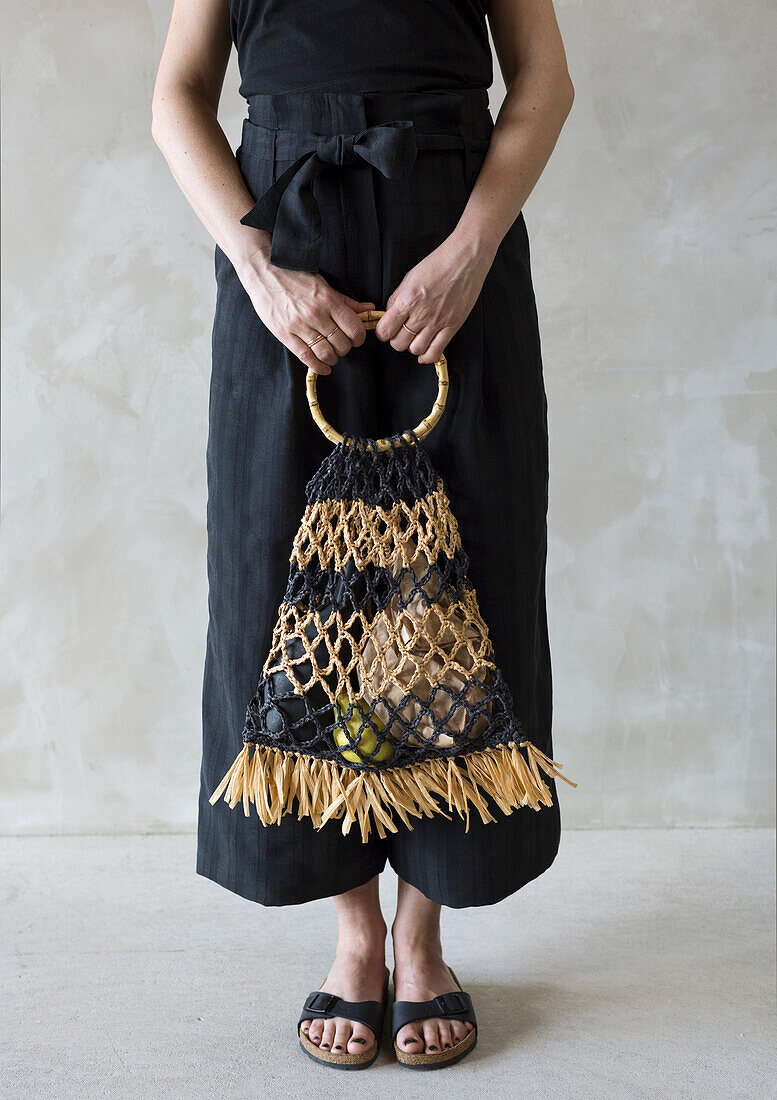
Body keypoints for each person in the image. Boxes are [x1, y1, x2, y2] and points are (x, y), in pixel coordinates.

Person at [152, 0, 573, 1070]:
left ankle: (423, 936)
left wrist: (473, 249)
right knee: (283, 585)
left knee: (465, 580)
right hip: (284, 245)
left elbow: (542, 78)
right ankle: (354, 933)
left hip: (453, 236)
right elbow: (177, 101)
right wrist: (259, 272)